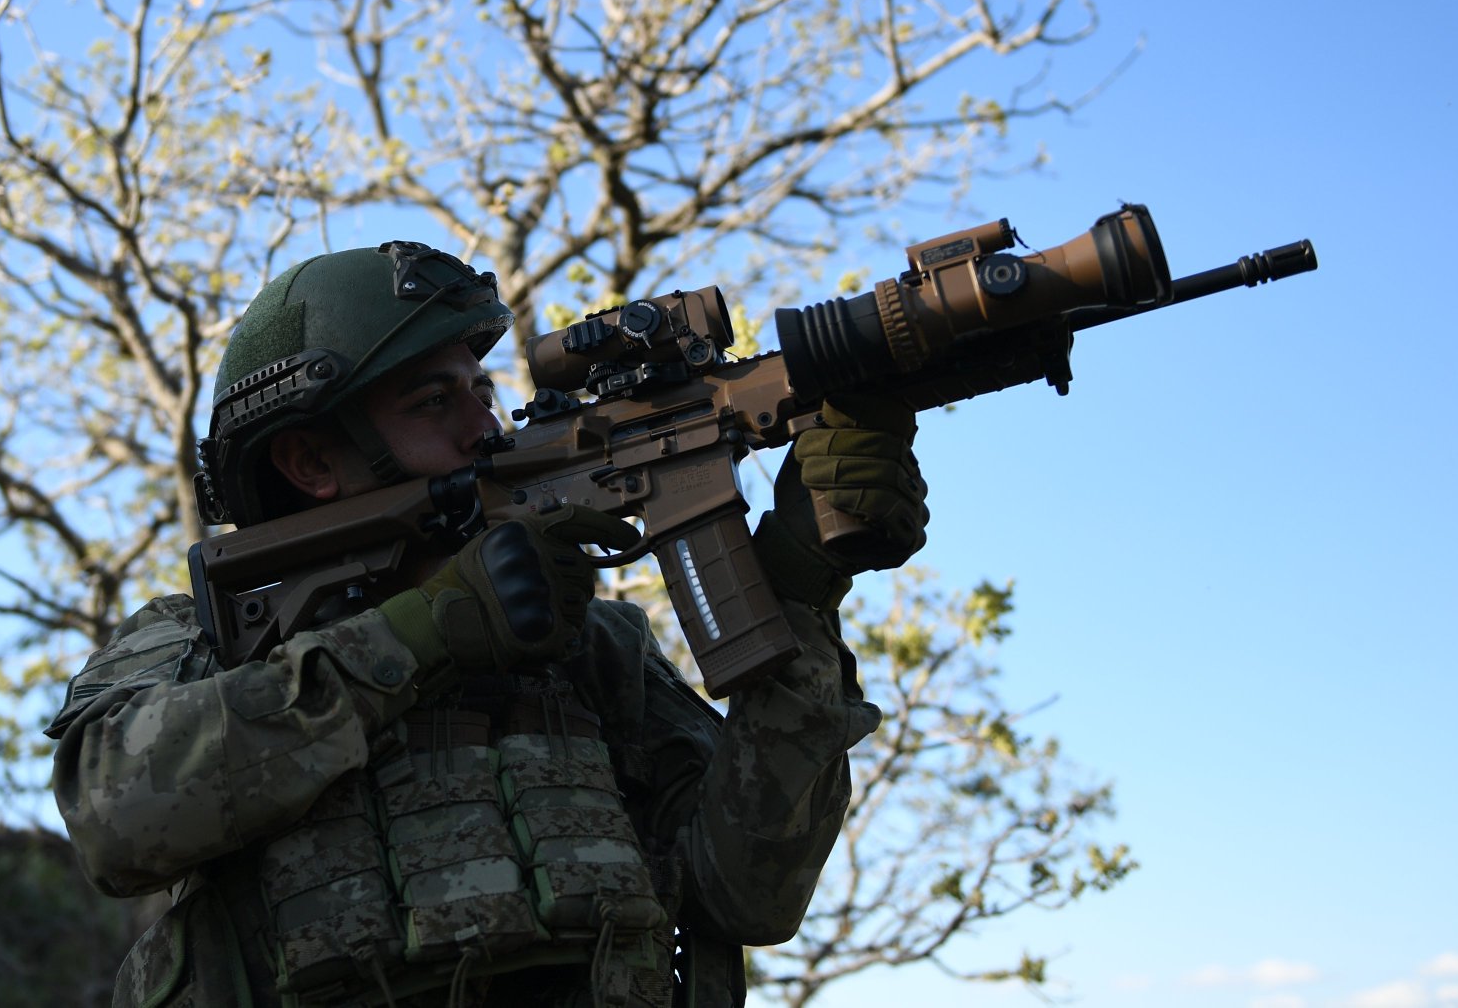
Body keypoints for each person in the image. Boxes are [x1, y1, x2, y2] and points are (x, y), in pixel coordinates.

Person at [48, 241, 930, 1007]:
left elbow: (750, 893)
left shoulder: (593, 652)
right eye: (434, 403)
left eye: (483, 389)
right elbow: (117, 813)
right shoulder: (199, 643)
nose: (487, 427)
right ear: (311, 460)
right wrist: (424, 633)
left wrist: (804, 591)